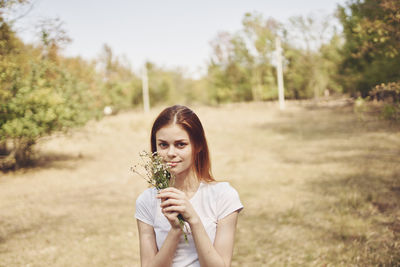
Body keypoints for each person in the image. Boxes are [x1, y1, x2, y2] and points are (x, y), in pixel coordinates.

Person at [135, 105, 243, 267]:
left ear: (198, 146)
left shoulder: (223, 196)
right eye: (163, 145)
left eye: (180, 144)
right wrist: (176, 230)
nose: (171, 153)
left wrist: (193, 220)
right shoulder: (147, 200)